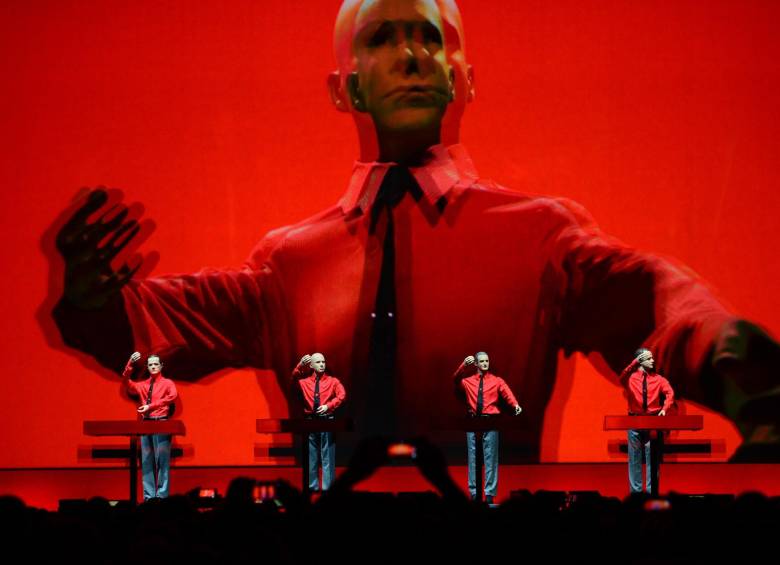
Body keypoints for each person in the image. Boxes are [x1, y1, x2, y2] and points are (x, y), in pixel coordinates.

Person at [51, 0, 780, 459]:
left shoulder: (538, 238)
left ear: (461, 76)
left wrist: (758, 393)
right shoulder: (289, 263)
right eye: (381, 39)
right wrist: (91, 300)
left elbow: (666, 308)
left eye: (429, 37)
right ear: (347, 89)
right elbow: (156, 329)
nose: (410, 54)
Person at [453, 352, 521, 503]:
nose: (485, 363)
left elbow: (507, 392)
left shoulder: (497, 381)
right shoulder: (467, 381)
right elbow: (455, 379)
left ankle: (489, 495)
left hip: (491, 422)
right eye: (482, 361)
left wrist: (515, 405)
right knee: (473, 459)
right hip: (473, 422)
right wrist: (463, 365)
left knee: (491, 459)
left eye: (487, 361)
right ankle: (474, 493)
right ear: (476, 364)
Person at [122, 352, 178, 500]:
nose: (153, 366)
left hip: (162, 422)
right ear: (147, 367)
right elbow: (128, 384)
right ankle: (149, 497)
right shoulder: (142, 385)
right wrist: (129, 365)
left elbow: (172, 396)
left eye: (156, 364)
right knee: (146, 461)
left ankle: (162, 496)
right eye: (150, 364)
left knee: (162, 461)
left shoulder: (168, 383)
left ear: (161, 366)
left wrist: (151, 406)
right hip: (146, 424)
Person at [619, 348, 674, 494]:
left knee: (653, 460)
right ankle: (636, 496)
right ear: (640, 361)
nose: (653, 361)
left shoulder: (659, 379)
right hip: (634, 422)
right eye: (649, 358)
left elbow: (670, 393)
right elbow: (621, 377)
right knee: (634, 460)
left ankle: (651, 494)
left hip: (653, 422)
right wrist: (634, 363)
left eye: (652, 358)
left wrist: (665, 408)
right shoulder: (631, 378)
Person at [291, 353, 346, 491]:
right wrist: (299, 367)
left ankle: (328, 489)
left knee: (328, 456)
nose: (322, 364)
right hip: (310, 422)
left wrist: (329, 406)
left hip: (327, 421)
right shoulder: (304, 382)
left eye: (323, 362)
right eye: (318, 362)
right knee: (311, 457)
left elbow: (342, 395)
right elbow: (292, 380)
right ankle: (312, 488)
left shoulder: (333, 381)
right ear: (311, 365)